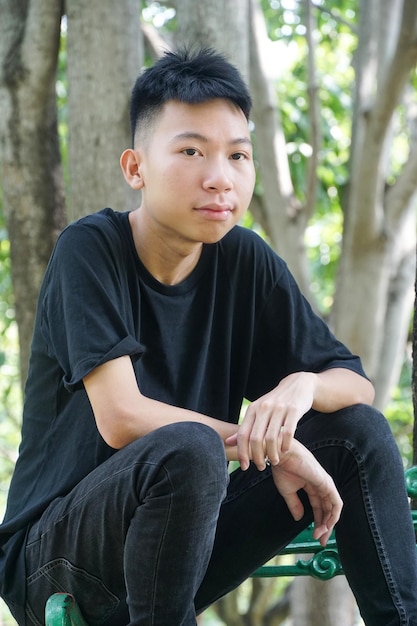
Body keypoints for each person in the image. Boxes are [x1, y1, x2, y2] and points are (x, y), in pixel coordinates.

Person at [1, 47, 416, 626]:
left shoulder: (244, 260)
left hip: (176, 544)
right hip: (57, 559)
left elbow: (355, 385)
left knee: (355, 433)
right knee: (191, 446)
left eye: (237, 155)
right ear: (135, 168)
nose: (219, 177)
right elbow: (121, 417)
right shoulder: (90, 250)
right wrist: (282, 447)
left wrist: (300, 386)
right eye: (191, 150)